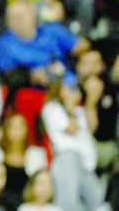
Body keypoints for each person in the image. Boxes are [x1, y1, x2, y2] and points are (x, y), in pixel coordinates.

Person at [41, 75, 104, 211]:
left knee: (96, 199)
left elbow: (92, 128)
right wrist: (69, 106)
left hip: (85, 162)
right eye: (68, 88)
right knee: (68, 203)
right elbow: (72, 129)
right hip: (67, 158)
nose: (73, 91)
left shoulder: (79, 111)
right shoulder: (52, 108)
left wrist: (90, 103)